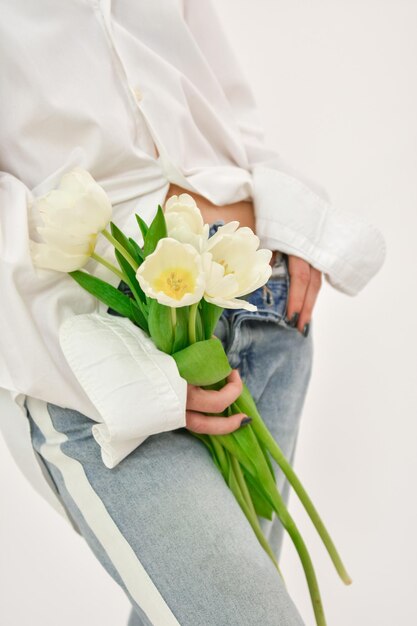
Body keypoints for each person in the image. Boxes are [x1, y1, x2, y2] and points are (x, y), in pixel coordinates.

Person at [0, 1, 386, 624]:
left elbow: (224, 106)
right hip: (104, 352)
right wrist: (123, 380)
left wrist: (289, 212)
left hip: (263, 305)